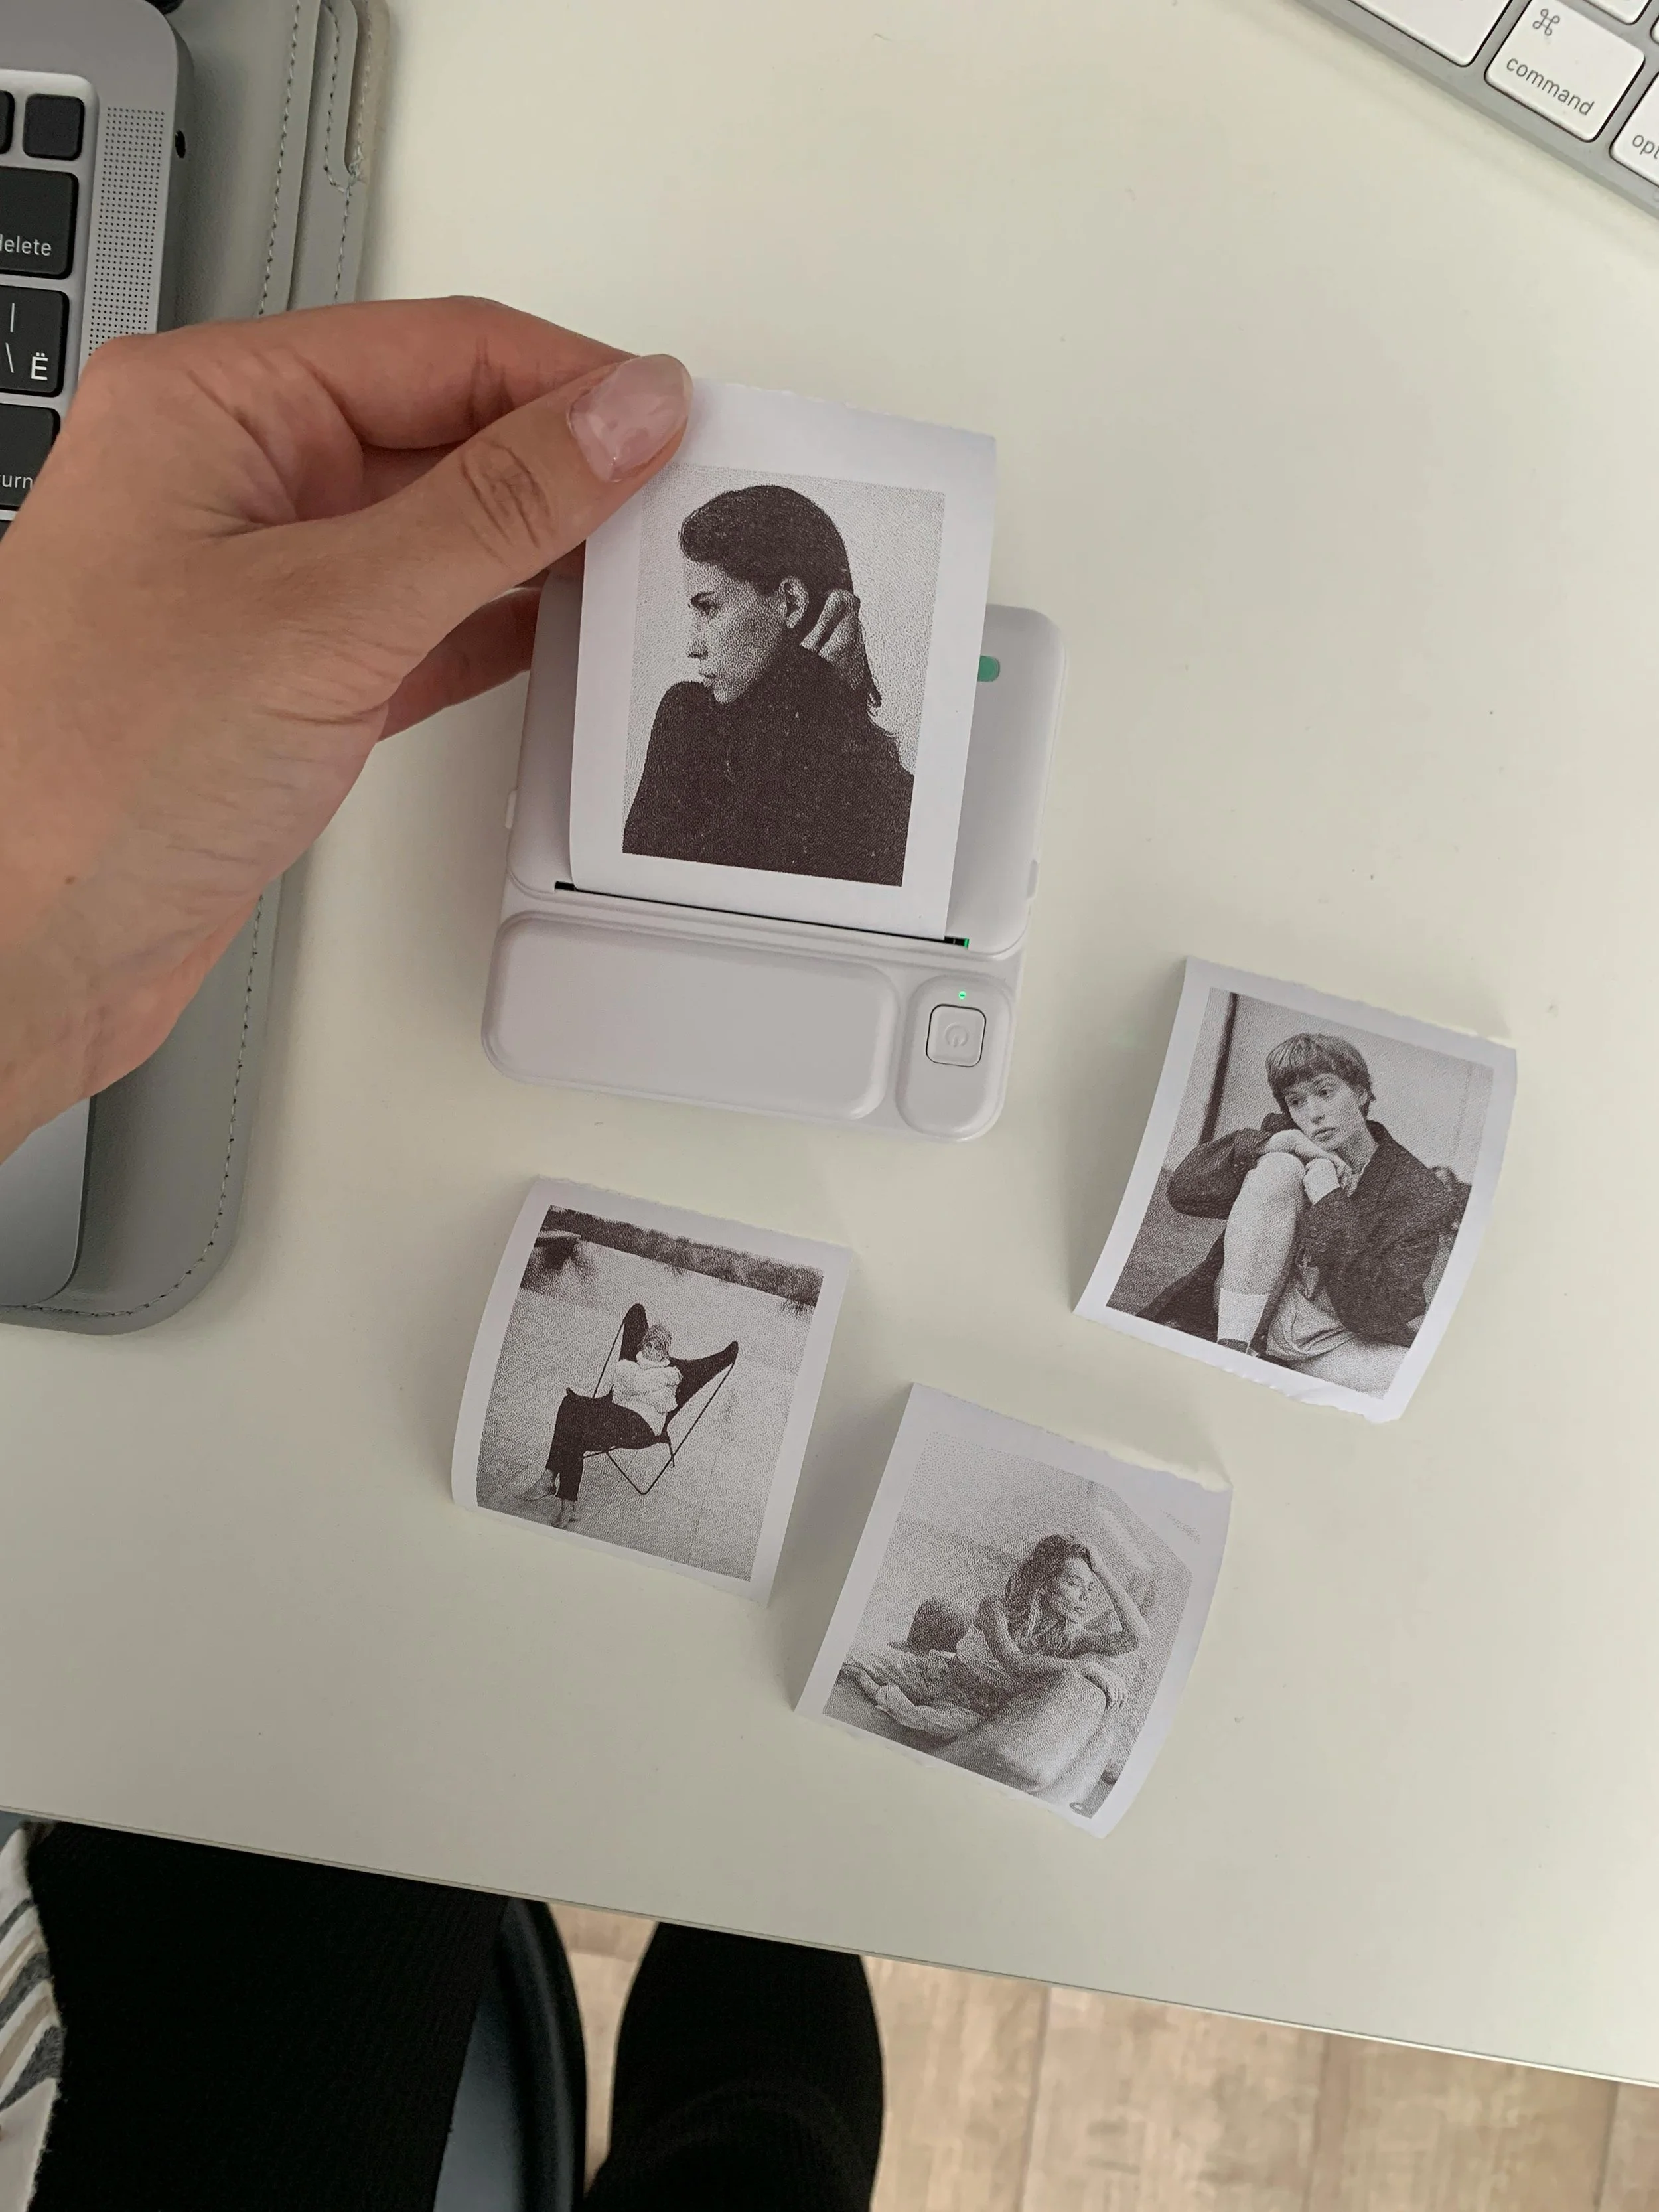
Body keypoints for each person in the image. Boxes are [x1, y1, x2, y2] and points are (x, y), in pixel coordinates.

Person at [0, 298, 884, 2212]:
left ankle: (760, 1894)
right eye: (687, 603)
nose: (695, 634)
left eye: (722, 605)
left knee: (382, 1781)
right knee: (765, 2139)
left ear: (801, 611)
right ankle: (767, 1902)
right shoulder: (676, 721)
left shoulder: (843, 754)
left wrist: (40, 952)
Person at [622, 484, 914, 883]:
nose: (693, 646)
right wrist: (812, 684)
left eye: (709, 608)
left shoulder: (884, 795)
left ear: (791, 602)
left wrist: (811, 690)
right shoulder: (689, 718)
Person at [1141, 1031, 1459, 1395]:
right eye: (1296, 1102)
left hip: (1331, 1339)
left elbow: (1376, 1311)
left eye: (1325, 1092)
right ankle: (1233, 1353)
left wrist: (1328, 1198)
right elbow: (1184, 1191)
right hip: (1255, 1317)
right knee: (1281, 1166)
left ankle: (1270, 1373)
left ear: (1360, 1093)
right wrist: (1282, 1142)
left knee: (1429, 1386)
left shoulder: (1419, 1192)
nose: (1314, 1113)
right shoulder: (1290, 1137)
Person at [841, 1534, 1149, 1791]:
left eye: (1090, 1589)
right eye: (1074, 1584)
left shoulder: (1069, 1636)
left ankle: (879, 1692)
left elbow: (1137, 1636)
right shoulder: (996, 1608)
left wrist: (1102, 1570)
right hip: (937, 1673)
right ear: (1044, 1585)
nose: (1086, 1598)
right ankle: (870, 1677)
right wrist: (1081, 1667)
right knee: (849, 1656)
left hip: (973, 1711)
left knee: (933, 1722)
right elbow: (1014, 1661)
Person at [544, 1303, 739, 1525]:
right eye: (649, 1344)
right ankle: (566, 1504)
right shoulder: (635, 1366)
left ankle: (550, 1477)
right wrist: (651, 1387)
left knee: (575, 1411)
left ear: (665, 1352)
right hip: (615, 1416)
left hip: (643, 1428)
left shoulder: (671, 1373)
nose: (651, 1350)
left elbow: (663, 1400)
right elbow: (628, 1389)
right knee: (572, 1414)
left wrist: (640, 1388)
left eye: (658, 1348)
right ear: (643, 1344)